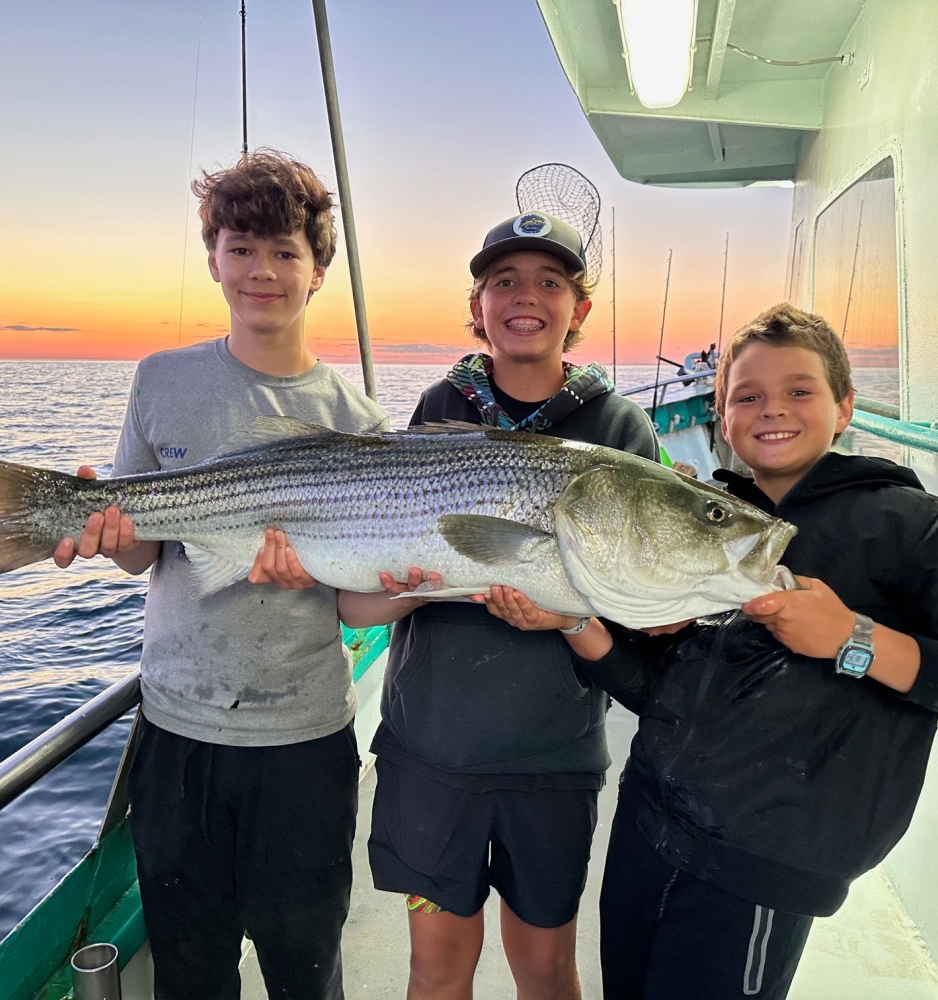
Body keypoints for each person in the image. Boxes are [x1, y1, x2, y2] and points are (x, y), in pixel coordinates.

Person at [480, 302, 938, 999]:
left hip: (762, 866)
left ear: (844, 407)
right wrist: (569, 622)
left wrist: (851, 639)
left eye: (798, 391)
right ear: (723, 419)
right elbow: (659, 694)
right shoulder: (712, 521)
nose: (771, 410)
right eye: (746, 396)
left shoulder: (909, 525)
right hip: (648, 827)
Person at [53, 149, 389, 1000]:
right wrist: (101, 527)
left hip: (304, 738)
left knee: (303, 968)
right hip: (177, 729)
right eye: (241, 248)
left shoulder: (356, 419)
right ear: (212, 259)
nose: (261, 271)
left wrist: (409, 580)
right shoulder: (160, 380)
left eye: (284, 252)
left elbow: (356, 600)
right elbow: (142, 551)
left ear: (318, 271)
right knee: (191, 969)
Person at [339, 210, 660, 1000]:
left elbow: (635, 596)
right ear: (477, 305)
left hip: (551, 755)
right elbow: (372, 596)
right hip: (430, 750)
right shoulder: (436, 408)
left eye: (549, 282)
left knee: (547, 968)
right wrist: (397, 584)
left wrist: (572, 618)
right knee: (436, 968)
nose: (526, 297)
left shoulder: (619, 427)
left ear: (578, 310)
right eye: (503, 281)